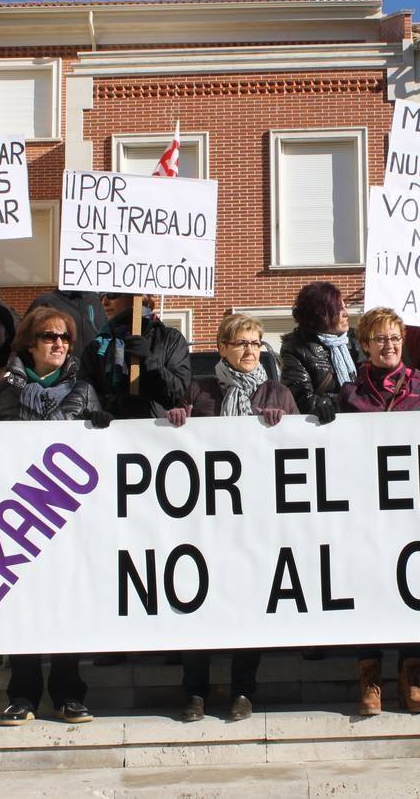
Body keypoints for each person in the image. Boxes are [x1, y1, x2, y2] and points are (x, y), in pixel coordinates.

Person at [0, 306, 112, 724]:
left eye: (65, 338)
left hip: (66, 517)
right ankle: (22, 696)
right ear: (30, 345)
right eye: (50, 337)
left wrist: (104, 427)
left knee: (65, 606)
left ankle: (69, 694)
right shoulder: (3, 391)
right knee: (22, 607)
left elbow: (97, 457)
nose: (58, 344)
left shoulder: (84, 391)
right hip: (19, 516)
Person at [165, 313, 298, 723]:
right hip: (205, 520)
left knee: (248, 603)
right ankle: (195, 693)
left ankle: (243, 690)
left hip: (255, 521)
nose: (250, 351)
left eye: (257, 343)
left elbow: (301, 450)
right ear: (222, 347)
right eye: (241, 343)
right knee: (197, 603)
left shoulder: (278, 391)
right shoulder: (200, 391)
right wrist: (176, 423)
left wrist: (284, 428)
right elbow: (179, 445)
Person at [339, 307, 420, 715]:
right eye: (378, 339)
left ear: (402, 340)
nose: (387, 345)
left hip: (413, 510)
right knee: (369, 588)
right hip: (366, 510)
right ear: (364, 345)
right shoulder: (350, 392)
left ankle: (412, 680)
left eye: (393, 338)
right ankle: (370, 681)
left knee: (414, 587)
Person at [84, 291, 190, 419]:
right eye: (102, 296)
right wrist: (98, 411)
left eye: (112, 294)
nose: (104, 302)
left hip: (154, 431)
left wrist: (149, 360)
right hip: (111, 434)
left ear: (137, 295)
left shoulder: (170, 338)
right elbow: (85, 393)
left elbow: (176, 395)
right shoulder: (98, 345)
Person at [280, 281, 366, 424]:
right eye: (338, 309)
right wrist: (322, 405)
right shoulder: (296, 347)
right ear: (321, 314)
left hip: (363, 423)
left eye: (345, 307)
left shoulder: (358, 340)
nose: (346, 313)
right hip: (325, 428)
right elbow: (301, 397)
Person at [27, 287, 103, 361]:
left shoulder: (101, 303)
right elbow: (24, 342)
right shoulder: (45, 302)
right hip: (58, 371)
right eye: (49, 336)